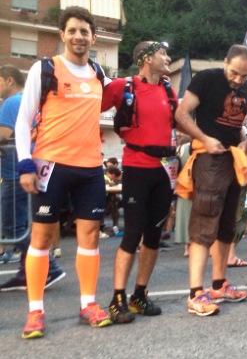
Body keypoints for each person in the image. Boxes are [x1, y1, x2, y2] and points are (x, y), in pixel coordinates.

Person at [15, 6, 113, 339]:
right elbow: (22, 120)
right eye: (72, 30)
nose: (78, 36)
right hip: (50, 165)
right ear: (62, 35)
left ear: (93, 37)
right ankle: (35, 312)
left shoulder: (99, 73)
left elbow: (121, 102)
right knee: (41, 239)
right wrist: (25, 163)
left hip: (90, 169)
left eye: (84, 31)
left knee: (89, 238)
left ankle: (88, 304)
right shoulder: (44, 69)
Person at [175, 44, 247, 316]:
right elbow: (181, 113)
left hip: (233, 159)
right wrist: (204, 138)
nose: (238, 80)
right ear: (225, 61)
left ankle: (219, 285)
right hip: (209, 159)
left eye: (244, 75)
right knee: (204, 223)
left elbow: (238, 123)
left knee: (226, 225)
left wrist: (244, 141)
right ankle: (195, 293)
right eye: (234, 72)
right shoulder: (207, 78)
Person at [101, 41, 177, 323]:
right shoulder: (123, 86)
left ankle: (139, 295)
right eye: (162, 54)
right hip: (136, 167)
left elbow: (179, 122)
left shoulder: (168, 89)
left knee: (154, 236)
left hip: (163, 170)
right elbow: (89, 107)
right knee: (132, 234)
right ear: (146, 58)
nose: (168, 58)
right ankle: (117, 298)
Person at [0, 65, 66, 291]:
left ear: (9, 81)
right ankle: (26, 272)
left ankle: (48, 267)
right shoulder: (29, 102)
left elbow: (3, 137)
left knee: (13, 226)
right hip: (31, 168)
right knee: (25, 224)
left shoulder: (10, 103)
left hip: (14, 172)